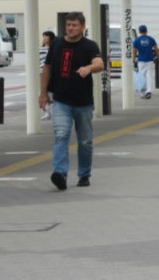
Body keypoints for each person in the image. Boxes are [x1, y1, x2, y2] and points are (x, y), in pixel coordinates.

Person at [39, 12, 104, 190]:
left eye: (74, 25)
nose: (70, 28)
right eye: (68, 25)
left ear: (82, 27)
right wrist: (43, 93)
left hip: (83, 102)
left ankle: (84, 174)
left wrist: (89, 68)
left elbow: (100, 64)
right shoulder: (57, 43)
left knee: (84, 141)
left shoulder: (89, 46)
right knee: (61, 134)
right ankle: (59, 174)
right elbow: (47, 68)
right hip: (61, 100)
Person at [132, 25, 159, 99]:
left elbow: (134, 52)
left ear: (139, 31)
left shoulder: (136, 40)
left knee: (142, 77)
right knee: (149, 77)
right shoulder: (151, 39)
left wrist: (133, 60)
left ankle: (142, 93)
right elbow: (156, 49)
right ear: (146, 31)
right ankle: (149, 91)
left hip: (141, 61)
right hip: (150, 61)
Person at [40, 31, 56, 120]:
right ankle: (47, 112)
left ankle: (51, 111)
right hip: (41, 72)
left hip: (51, 73)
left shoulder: (53, 49)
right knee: (43, 91)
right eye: (44, 36)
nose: (45, 38)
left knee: (50, 93)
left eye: (47, 36)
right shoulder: (40, 49)